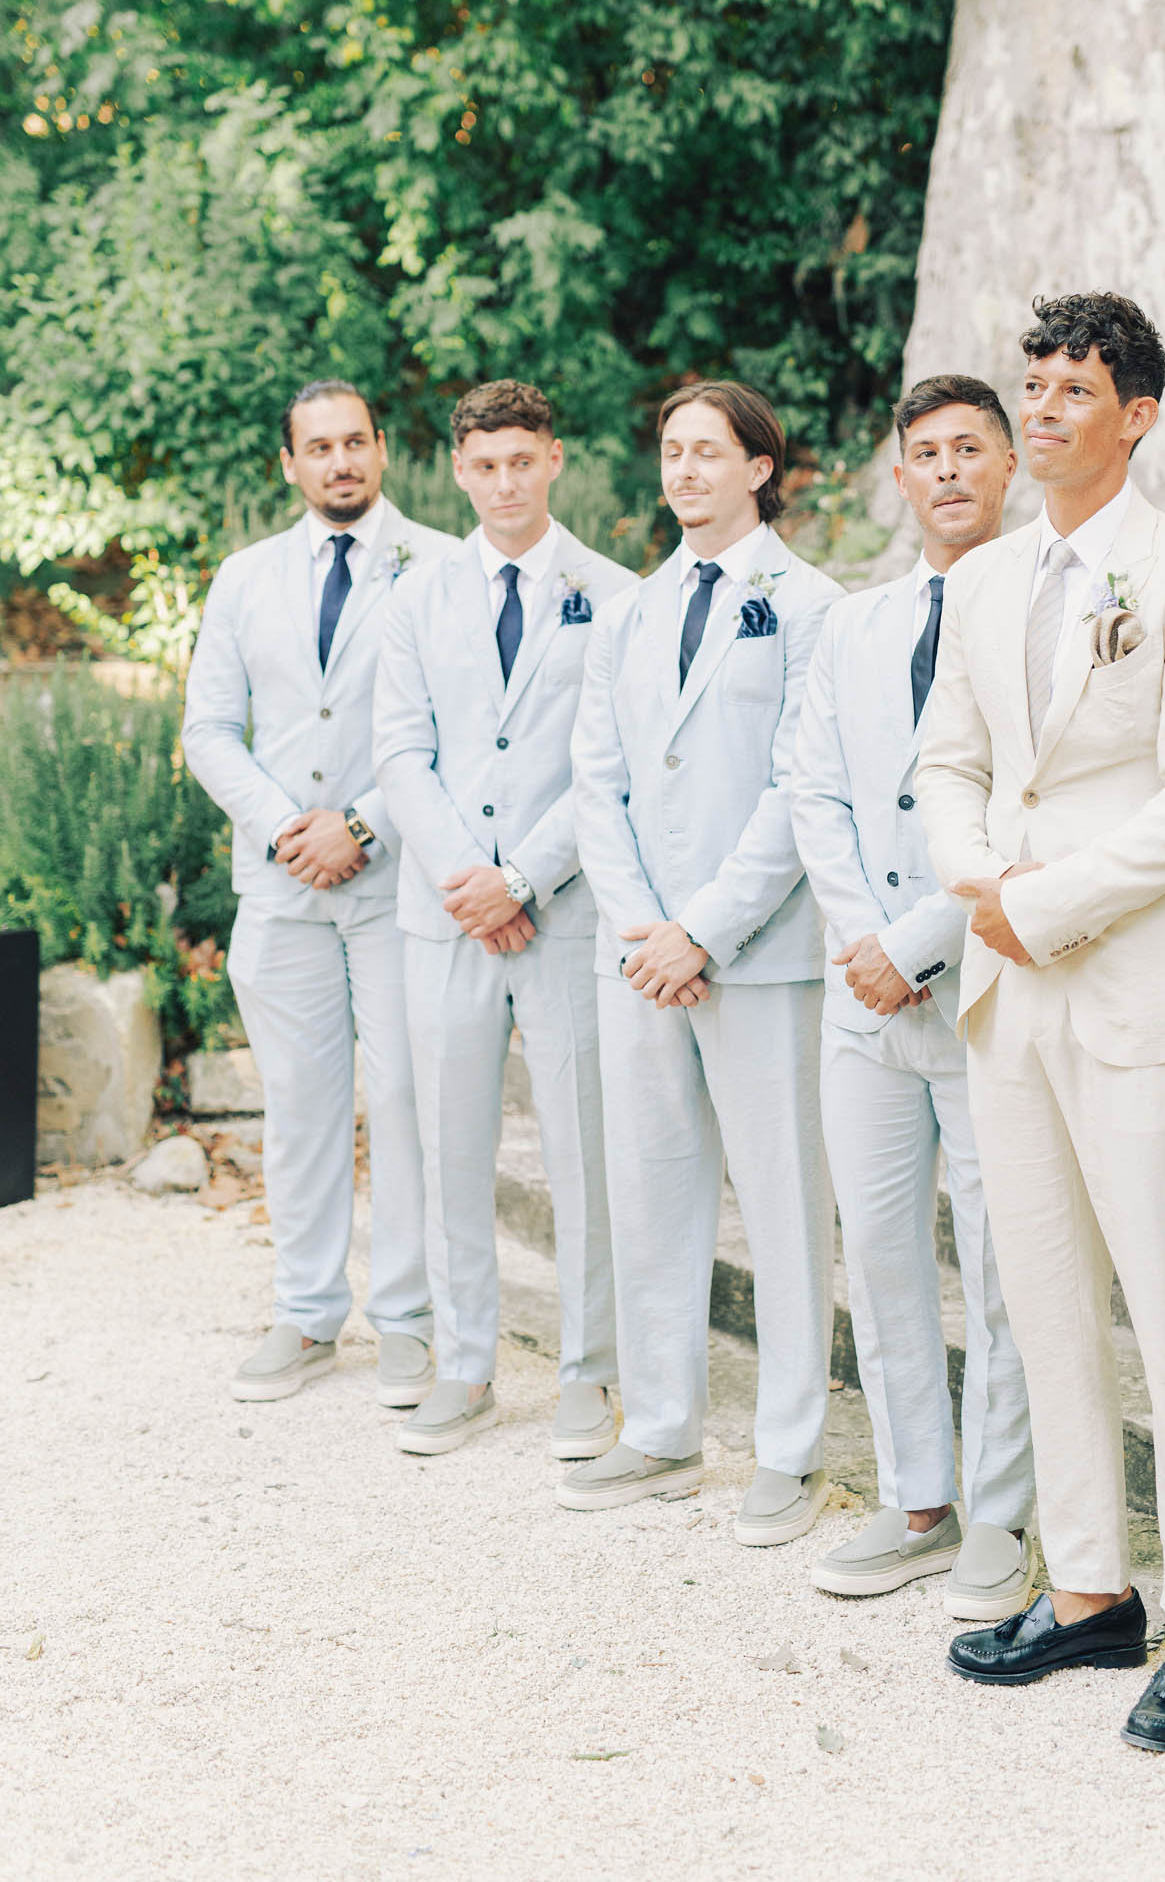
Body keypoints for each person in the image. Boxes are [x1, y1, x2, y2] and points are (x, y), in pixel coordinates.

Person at [915, 292, 1165, 1751]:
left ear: (1134, 417)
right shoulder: (986, 581)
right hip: (1007, 989)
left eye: (1074, 391)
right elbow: (945, 759)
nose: (1043, 410)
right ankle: (1084, 1592)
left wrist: (1044, 901)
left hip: (1136, 988)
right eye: (1034, 385)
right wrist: (975, 885)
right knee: (1046, 1305)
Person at [560, 380, 841, 1545]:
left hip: (758, 952)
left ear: (759, 468)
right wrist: (641, 926)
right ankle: (664, 1424)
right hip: (636, 956)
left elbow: (797, 784)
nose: (683, 471)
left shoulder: (814, 605)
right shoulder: (629, 608)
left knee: (781, 1206)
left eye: (707, 452)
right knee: (652, 1186)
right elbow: (596, 775)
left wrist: (704, 929)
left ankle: (790, 1449)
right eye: (670, 450)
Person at [791, 374, 1034, 1616]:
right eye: (923, 453)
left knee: (1002, 1260)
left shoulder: (1043, 604)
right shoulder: (856, 620)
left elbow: (1032, 811)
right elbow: (812, 786)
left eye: (967, 450)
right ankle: (914, 1495)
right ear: (900, 477)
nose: (945, 470)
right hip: (862, 993)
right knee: (882, 1249)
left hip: (990, 977)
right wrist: (866, 942)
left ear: (1008, 465)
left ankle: (999, 1512)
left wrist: (924, 941)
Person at [371, 381, 636, 1461]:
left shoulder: (610, 592)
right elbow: (400, 754)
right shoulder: (418, 597)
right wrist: (466, 879)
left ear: (553, 459)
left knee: (580, 1146)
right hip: (445, 918)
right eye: (483, 466)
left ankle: (589, 1371)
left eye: (521, 461)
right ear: (458, 470)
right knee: (449, 1143)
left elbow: (606, 764)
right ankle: (465, 1364)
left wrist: (522, 876)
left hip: (562, 911)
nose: (503, 483)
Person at [183, 379, 456, 1405]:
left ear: (383, 451)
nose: (340, 461)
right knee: (299, 1104)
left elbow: (455, 726)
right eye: (319, 447)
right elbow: (208, 727)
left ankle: (406, 1321)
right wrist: (285, 827)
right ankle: (303, 1314)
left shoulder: (438, 566)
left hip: (398, 880)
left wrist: (364, 820)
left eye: (356, 442)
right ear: (286, 463)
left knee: (403, 1097)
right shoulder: (244, 577)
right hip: (282, 879)